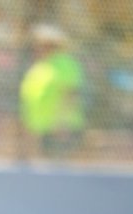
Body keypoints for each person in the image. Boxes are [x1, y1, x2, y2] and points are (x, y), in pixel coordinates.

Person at [19, 24, 85, 157]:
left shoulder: (65, 64)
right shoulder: (39, 67)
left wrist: (61, 123)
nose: (37, 48)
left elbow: (69, 95)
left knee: (58, 170)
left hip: (60, 130)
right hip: (39, 130)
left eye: (42, 44)